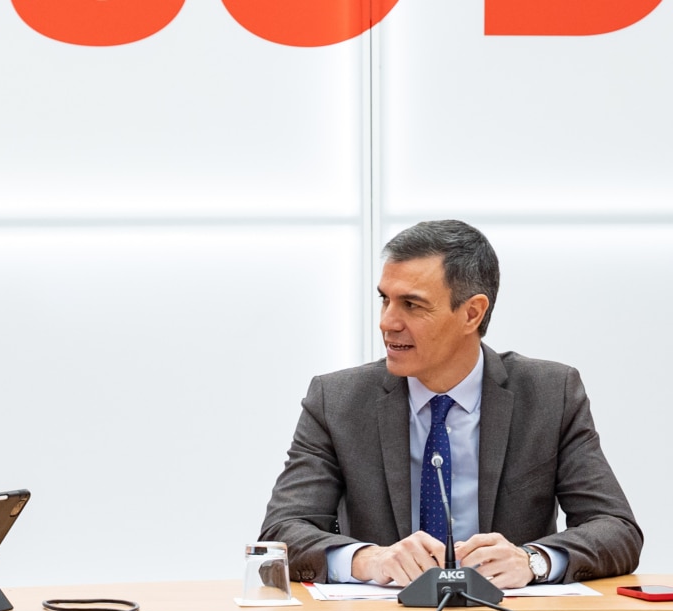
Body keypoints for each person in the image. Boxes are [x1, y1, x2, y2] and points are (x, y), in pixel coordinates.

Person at [260, 220, 640, 588]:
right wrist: (369, 559)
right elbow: (280, 535)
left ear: (472, 313)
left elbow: (616, 529)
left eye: (412, 305)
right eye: (385, 300)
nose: (387, 322)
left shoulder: (549, 394)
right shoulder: (338, 400)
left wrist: (532, 561)